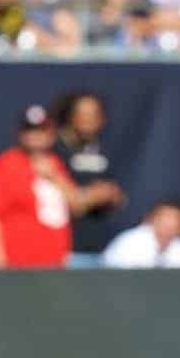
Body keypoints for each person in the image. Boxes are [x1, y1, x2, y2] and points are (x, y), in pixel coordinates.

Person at [0, 104, 119, 269]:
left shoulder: (56, 163)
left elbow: (77, 206)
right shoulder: (5, 166)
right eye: (29, 130)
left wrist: (55, 178)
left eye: (41, 130)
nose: (35, 136)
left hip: (57, 263)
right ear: (20, 133)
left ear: (51, 133)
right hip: (17, 265)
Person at [49, 90, 125, 260]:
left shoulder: (103, 149)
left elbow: (117, 195)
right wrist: (89, 197)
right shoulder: (54, 151)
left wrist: (109, 195)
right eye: (82, 114)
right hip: (66, 249)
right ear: (70, 116)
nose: (88, 120)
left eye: (93, 114)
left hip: (101, 248)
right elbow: (62, 202)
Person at [102, 200, 180, 269]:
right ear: (149, 220)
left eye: (175, 221)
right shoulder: (131, 243)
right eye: (165, 220)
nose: (169, 225)